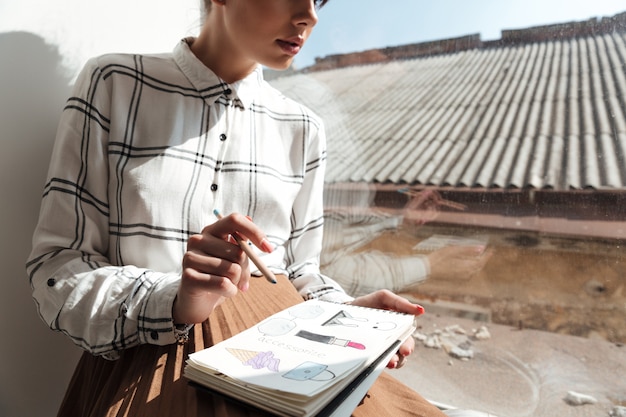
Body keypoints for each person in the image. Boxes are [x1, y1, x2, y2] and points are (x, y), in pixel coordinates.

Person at [25, 0, 448, 416]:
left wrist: (345, 317)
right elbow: (57, 270)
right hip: (149, 371)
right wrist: (173, 299)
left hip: (287, 368)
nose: (310, 16)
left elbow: (301, 275)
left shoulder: (303, 128)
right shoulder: (114, 82)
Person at [321, 185, 491, 297]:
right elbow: (326, 273)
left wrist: (401, 220)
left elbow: (338, 239)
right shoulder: (339, 162)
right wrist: (429, 266)